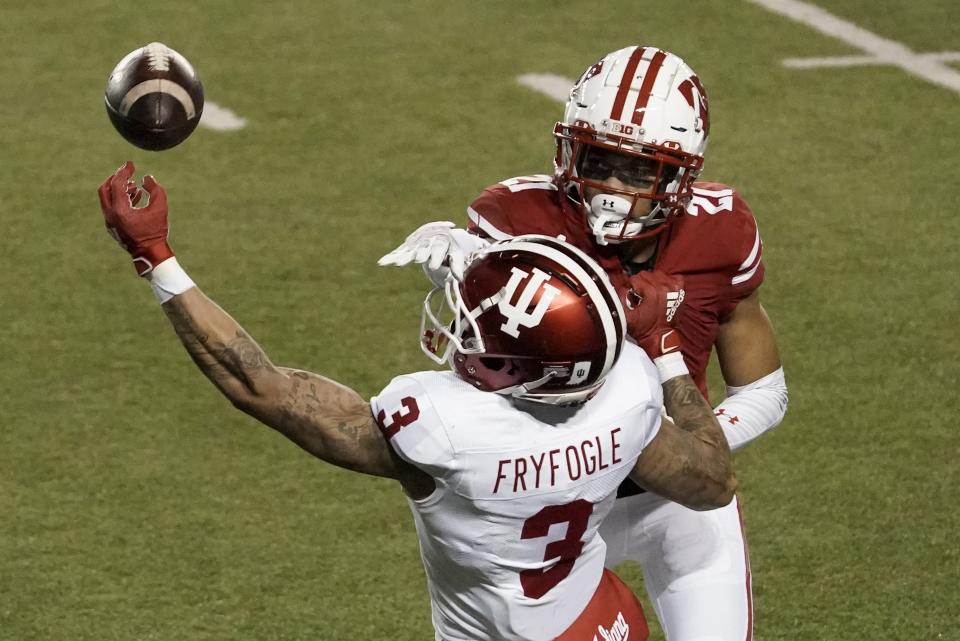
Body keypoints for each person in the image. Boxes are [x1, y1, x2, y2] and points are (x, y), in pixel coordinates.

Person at [97, 161, 737, 641]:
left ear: (525, 372)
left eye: (483, 342)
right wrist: (665, 349)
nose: (464, 334)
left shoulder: (447, 430)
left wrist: (156, 257)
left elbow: (257, 385)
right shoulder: (624, 389)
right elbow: (713, 481)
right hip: (600, 617)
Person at [379, 45, 788, 641]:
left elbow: (764, 392)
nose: (610, 186)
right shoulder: (515, 219)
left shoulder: (722, 231)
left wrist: (669, 445)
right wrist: (459, 272)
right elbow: (478, 358)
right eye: (596, 159)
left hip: (676, 502)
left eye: (637, 170)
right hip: (550, 501)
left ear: (681, 174)